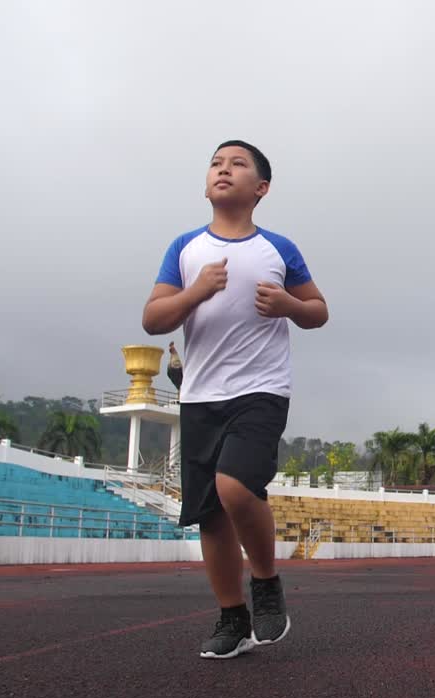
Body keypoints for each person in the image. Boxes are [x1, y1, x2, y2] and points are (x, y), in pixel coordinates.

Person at [142, 140, 329, 659]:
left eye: (238, 164)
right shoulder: (185, 249)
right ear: (207, 184)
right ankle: (232, 616)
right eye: (216, 163)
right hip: (201, 395)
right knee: (211, 514)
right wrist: (195, 292)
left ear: (260, 188)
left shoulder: (278, 249)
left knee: (237, 488)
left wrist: (289, 304)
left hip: (261, 390)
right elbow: (154, 319)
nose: (224, 169)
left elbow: (318, 311)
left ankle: (265, 582)